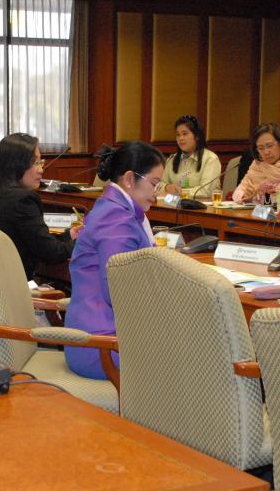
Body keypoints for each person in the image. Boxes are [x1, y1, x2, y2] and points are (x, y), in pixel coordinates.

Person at [65, 141, 165, 380]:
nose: (157, 193)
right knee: (200, 354)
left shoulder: (112, 207)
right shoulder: (116, 218)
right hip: (104, 346)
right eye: (154, 184)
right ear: (130, 179)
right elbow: (120, 292)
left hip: (98, 336)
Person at [0, 133, 78, 279]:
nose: (41, 169)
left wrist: (69, 235)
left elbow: (37, 240)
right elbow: (51, 253)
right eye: (34, 162)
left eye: (40, 161)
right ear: (16, 164)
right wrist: (83, 240)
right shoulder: (23, 199)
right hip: (14, 286)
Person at [159, 115, 221, 198]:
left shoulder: (210, 159)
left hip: (201, 205)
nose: (181, 138)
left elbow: (206, 191)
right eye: (178, 135)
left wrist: (178, 193)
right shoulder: (172, 160)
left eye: (185, 134)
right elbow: (159, 186)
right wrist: (167, 187)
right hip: (174, 203)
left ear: (197, 136)